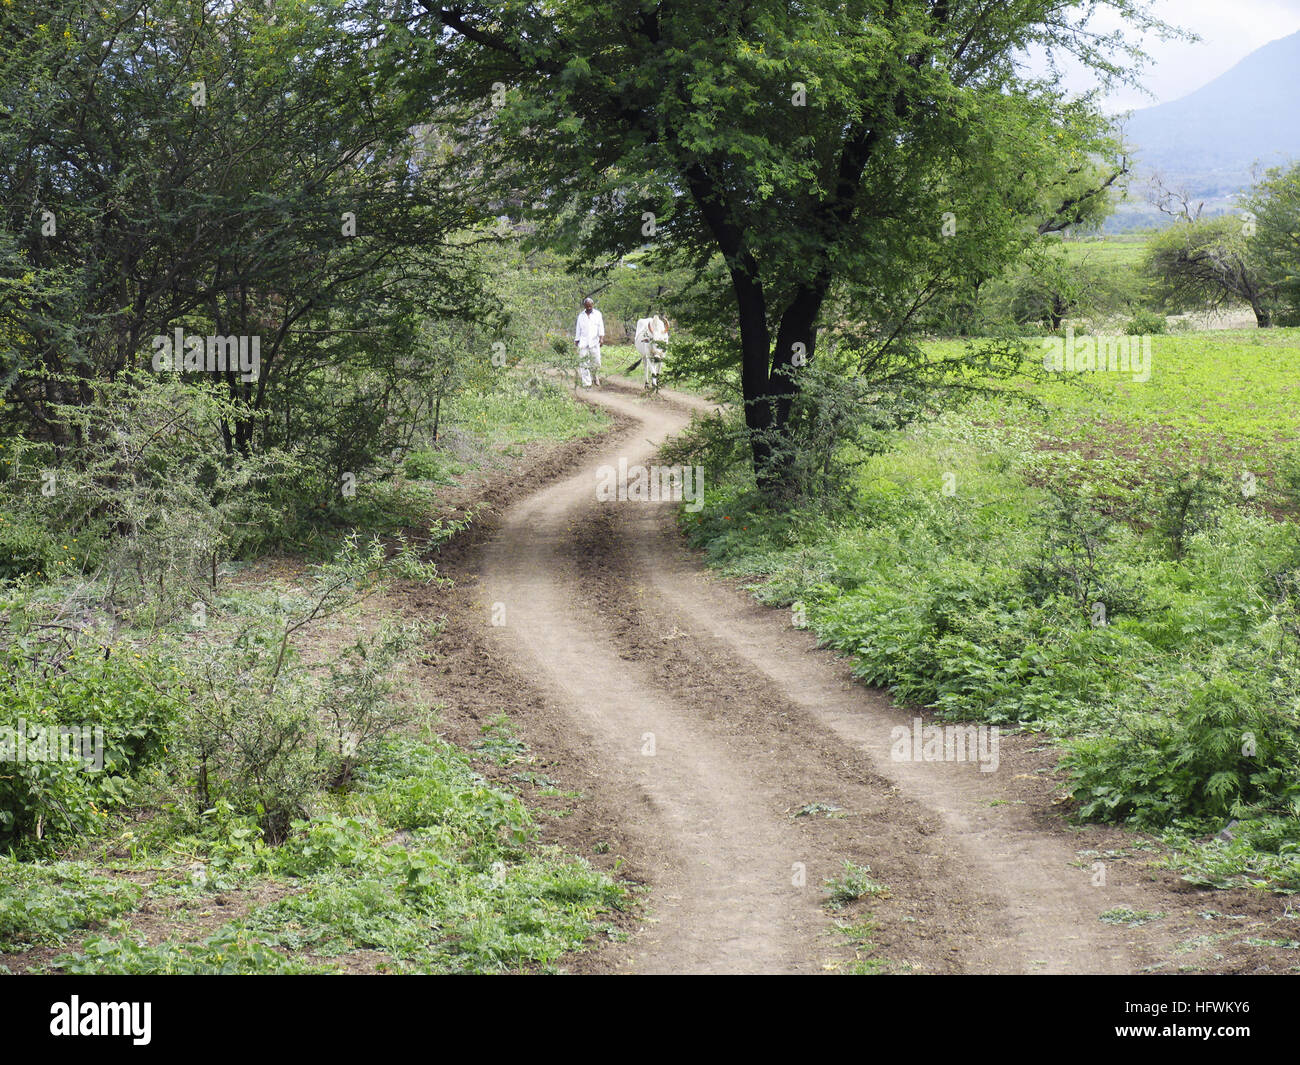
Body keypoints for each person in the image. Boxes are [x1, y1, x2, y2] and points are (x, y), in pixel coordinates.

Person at [573, 297, 604, 388]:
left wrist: (601, 338)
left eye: (590, 306)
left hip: (594, 342)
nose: (589, 308)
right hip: (583, 342)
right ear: (584, 306)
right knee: (583, 363)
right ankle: (587, 383)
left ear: (592, 305)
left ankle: (595, 375)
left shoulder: (598, 314)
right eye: (587, 307)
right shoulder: (581, 316)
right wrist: (576, 340)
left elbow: (601, 327)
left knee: (597, 362)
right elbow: (578, 329)